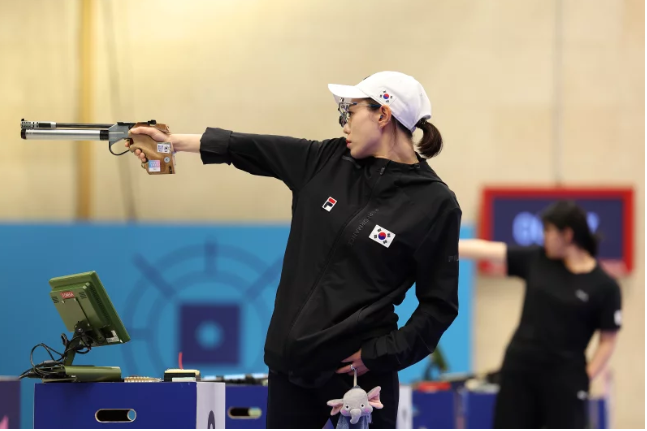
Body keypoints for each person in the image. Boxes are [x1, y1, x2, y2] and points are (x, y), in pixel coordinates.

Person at [128, 71, 461, 428]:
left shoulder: (435, 203)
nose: (345, 125)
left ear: (383, 114)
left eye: (350, 113)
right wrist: (172, 143)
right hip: (289, 370)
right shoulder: (326, 159)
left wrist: (379, 355)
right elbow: (248, 147)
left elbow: (439, 305)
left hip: (359, 381)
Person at [459, 200, 622, 429]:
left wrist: (586, 376)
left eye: (547, 230)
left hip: (565, 380)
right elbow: (488, 250)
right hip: (520, 372)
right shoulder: (537, 260)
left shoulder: (605, 286)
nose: (543, 236)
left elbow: (608, 340)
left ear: (567, 234)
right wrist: (443, 243)